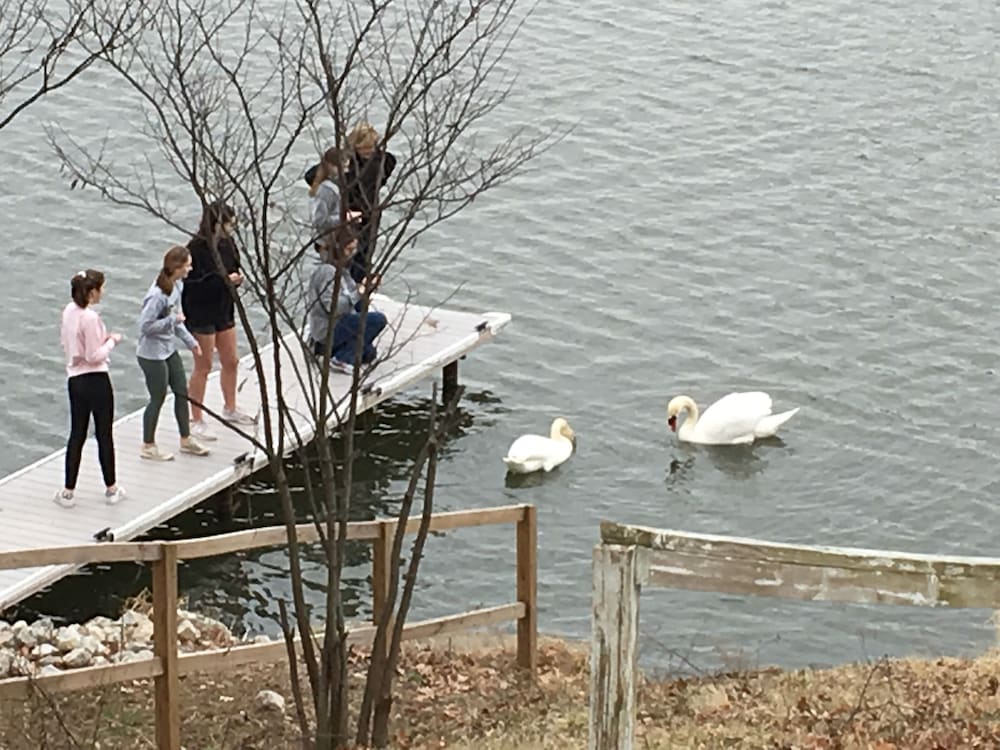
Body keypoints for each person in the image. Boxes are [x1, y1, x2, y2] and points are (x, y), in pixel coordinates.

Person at [183, 200, 256, 440]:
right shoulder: (195, 249)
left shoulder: (228, 244)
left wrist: (236, 279)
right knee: (203, 366)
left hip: (224, 307)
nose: (231, 229)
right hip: (201, 310)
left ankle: (230, 407)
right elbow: (193, 284)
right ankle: (196, 418)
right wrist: (224, 279)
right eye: (228, 224)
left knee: (231, 360)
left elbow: (234, 266)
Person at [55, 270, 126, 508]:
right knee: (104, 433)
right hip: (96, 379)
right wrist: (112, 341)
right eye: (101, 288)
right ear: (92, 292)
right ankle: (111, 488)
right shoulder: (90, 318)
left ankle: (68, 491)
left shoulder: (69, 312)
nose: (103, 292)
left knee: (77, 434)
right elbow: (94, 355)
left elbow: (68, 342)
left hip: (75, 379)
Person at [137, 245, 211, 461]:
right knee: (157, 397)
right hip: (151, 354)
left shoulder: (177, 287)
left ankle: (186, 439)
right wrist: (172, 320)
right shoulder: (157, 296)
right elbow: (145, 326)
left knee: (181, 391)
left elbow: (178, 321)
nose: (190, 269)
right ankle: (148, 445)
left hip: (168, 349)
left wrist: (191, 342)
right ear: (177, 266)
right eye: (187, 265)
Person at [307, 224, 388, 374]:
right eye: (349, 250)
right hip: (328, 328)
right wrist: (359, 292)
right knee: (378, 320)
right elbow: (333, 307)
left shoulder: (343, 271)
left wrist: (366, 289)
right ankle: (341, 358)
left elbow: (352, 296)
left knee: (369, 353)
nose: (352, 254)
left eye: (354, 250)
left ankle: (329, 351)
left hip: (342, 320)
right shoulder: (327, 272)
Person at [344, 122, 397, 282]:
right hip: (349, 213)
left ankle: (360, 286)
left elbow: (385, 173)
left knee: (365, 255)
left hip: (370, 211)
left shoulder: (383, 160)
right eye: (364, 148)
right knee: (347, 256)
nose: (368, 152)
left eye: (371, 147)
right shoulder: (347, 164)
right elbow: (312, 176)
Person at [303, 147, 362, 252]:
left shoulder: (332, 185)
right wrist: (345, 218)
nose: (345, 171)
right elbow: (320, 221)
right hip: (327, 242)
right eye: (342, 168)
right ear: (330, 166)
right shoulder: (326, 190)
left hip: (333, 239)